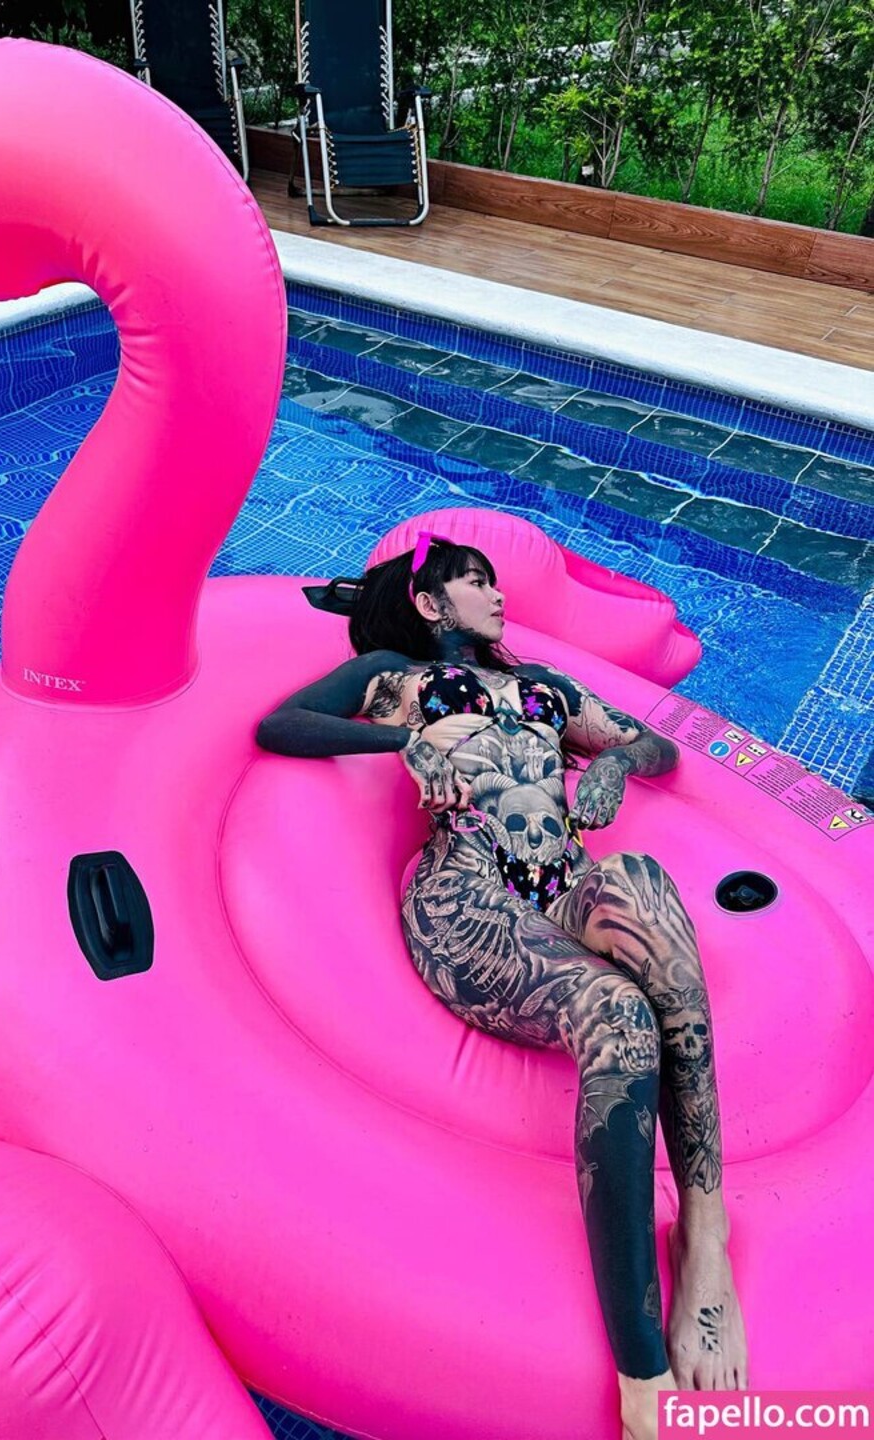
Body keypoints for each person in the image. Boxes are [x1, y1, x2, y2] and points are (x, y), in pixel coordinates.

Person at [256, 533, 750, 1440]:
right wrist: (409, 740)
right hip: (468, 893)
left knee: (643, 883)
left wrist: (607, 764)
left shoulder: (547, 691)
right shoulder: (395, 677)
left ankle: (705, 1234)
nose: (497, 594)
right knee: (619, 1013)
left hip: (564, 884)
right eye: (477, 582)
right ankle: (642, 1372)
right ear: (431, 603)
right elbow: (281, 726)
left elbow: (654, 749)